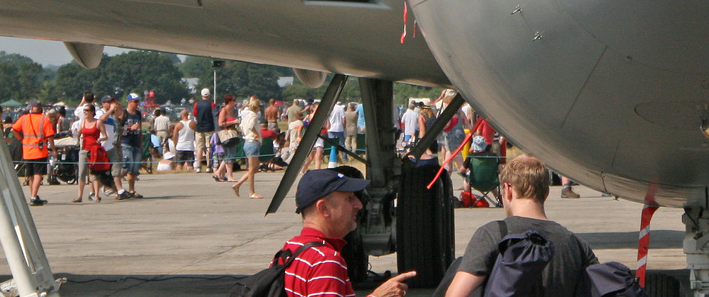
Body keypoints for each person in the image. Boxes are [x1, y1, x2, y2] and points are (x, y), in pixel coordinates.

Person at [442, 154, 598, 297]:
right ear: (546, 194)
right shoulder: (575, 243)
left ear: (508, 190)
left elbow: (455, 295)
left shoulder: (493, 234)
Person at [277, 168, 414, 297]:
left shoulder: (289, 250)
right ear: (324, 208)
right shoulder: (325, 261)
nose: (359, 205)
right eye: (348, 198)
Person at [10, 101, 57, 205]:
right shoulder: (44, 119)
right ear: (41, 108)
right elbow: (49, 136)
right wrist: (53, 149)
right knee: (38, 174)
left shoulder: (24, 118)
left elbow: (13, 130)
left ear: (31, 108)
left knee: (31, 175)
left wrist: (21, 139)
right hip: (39, 151)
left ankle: (33, 195)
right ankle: (34, 197)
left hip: (27, 151)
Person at [233, 96, 262, 198]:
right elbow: (250, 126)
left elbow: (241, 126)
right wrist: (256, 134)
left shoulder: (246, 115)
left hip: (249, 142)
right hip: (252, 142)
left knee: (255, 168)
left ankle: (238, 184)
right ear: (257, 108)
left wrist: (246, 133)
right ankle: (251, 192)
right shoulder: (253, 115)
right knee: (252, 168)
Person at [117, 95, 145, 198]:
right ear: (129, 102)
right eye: (135, 101)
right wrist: (129, 128)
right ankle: (115, 187)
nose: (137, 104)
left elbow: (140, 129)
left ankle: (131, 190)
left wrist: (141, 143)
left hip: (136, 143)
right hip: (125, 142)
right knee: (126, 166)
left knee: (134, 169)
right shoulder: (123, 113)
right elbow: (118, 128)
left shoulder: (138, 114)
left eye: (138, 101)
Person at [192, 87, 217, 172]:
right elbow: (214, 115)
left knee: (199, 147)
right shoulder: (212, 104)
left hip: (199, 128)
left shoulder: (196, 104)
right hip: (209, 128)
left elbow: (195, 114)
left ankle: (198, 166)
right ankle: (208, 166)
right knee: (208, 147)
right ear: (209, 95)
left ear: (201, 95)